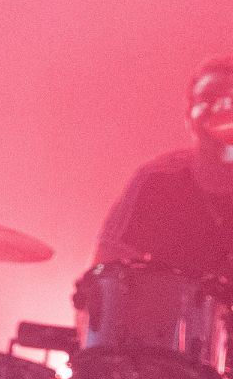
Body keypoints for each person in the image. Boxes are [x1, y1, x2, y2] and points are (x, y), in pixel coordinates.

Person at [94, 56, 233, 277]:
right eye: (207, 99)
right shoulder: (155, 181)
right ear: (188, 116)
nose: (220, 109)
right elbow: (106, 269)